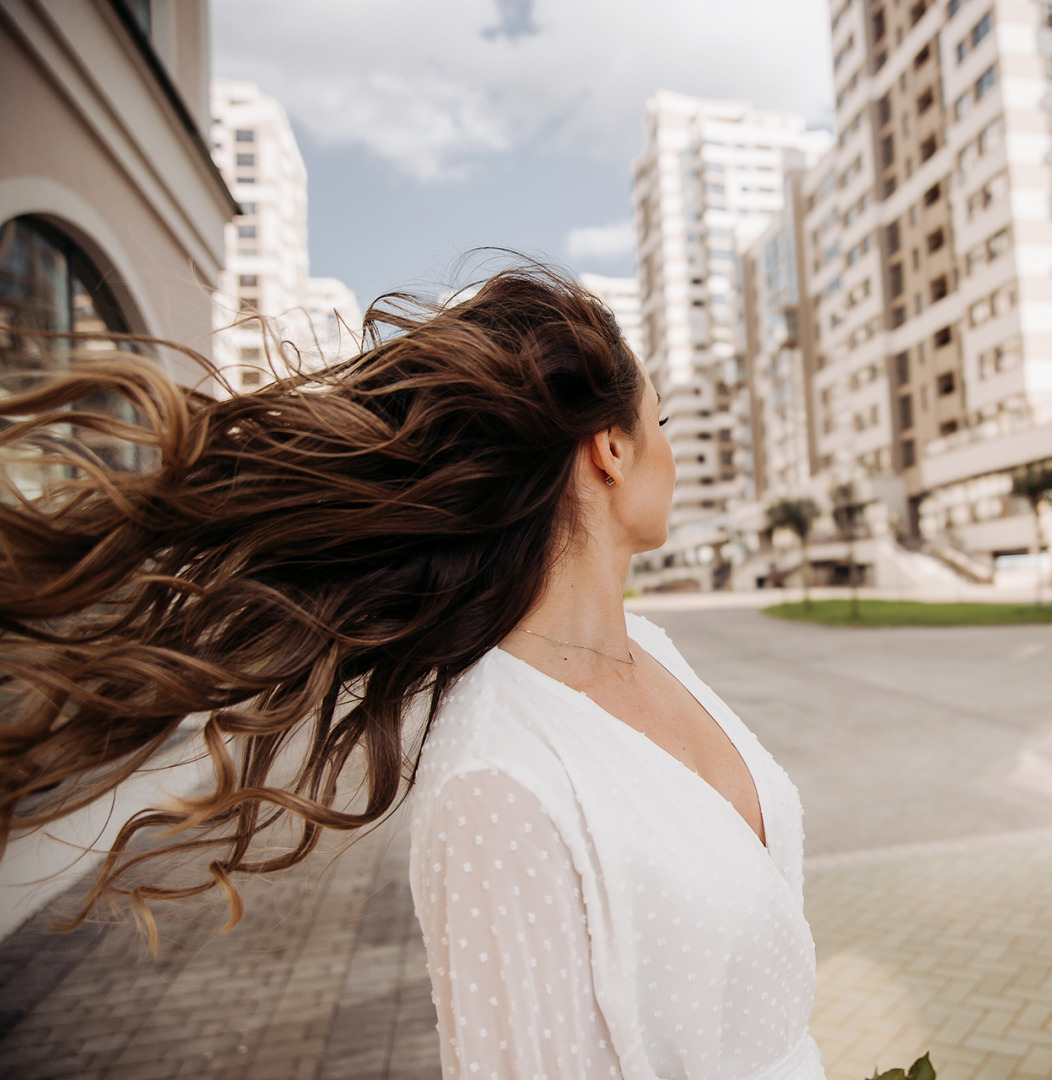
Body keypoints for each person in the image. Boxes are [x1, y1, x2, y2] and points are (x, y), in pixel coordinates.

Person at [0, 266, 825, 1080]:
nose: (671, 451)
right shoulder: (499, 778)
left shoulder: (655, 646)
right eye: (663, 420)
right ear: (610, 448)